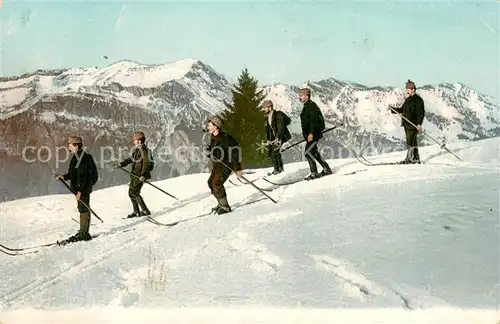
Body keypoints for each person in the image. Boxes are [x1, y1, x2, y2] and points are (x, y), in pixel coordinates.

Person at [55, 136, 97, 244]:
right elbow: (74, 174)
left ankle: (84, 233)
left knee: (83, 209)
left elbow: (82, 176)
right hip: (81, 189)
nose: (69, 147)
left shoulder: (81, 158)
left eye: (70, 145)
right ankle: (83, 231)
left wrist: (80, 191)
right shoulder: (77, 157)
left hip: (82, 189)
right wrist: (63, 177)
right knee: (82, 208)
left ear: (76, 146)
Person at [204, 115, 244, 214]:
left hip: (226, 165)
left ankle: (225, 207)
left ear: (216, 126)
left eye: (209, 125)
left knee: (216, 184)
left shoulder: (225, 137)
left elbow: (235, 151)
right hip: (218, 165)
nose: (207, 127)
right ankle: (221, 203)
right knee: (210, 183)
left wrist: (238, 168)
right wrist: (210, 151)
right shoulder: (214, 136)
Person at [115, 131, 152, 218]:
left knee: (134, 193)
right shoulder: (136, 150)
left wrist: (143, 175)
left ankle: (145, 211)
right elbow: (131, 159)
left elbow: (148, 165)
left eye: (135, 140)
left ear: (139, 141)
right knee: (131, 193)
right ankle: (137, 212)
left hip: (140, 177)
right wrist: (121, 164)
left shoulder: (147, 152)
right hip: (134, 175)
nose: (133, 142)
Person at [298, 87, 332, 180]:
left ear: (307, 96)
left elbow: (314, 121)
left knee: (308, 152)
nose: (299, 97)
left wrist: (311, 133)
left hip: (313, 134)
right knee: (312, 151)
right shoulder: (307, 106)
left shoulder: (311, 106)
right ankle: (326, 169)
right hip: (310, 135)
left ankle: (314, 173)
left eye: (301, 95)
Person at [389, 79, 425, 164]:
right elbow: (402, 110)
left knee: (410, 142)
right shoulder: (408, 100)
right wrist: (393, 109)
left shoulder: (418, 100)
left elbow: (421, 113)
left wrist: (419, 124)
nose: (407, 91)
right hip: (407, 124)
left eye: (408, 89)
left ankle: (409, 159)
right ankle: (415, 159)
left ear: (413, 89)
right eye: (406, 89)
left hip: (413, 125)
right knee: (413, 142)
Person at [261, 99, 292, 175]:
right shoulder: (268, 117)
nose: (263, 109)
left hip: (281, 136)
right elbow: (269, 130)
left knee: (275, 151)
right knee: (273, 152)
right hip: (274, 138)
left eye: (265, 107)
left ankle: (278, 169)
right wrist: (269, 139)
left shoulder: (278, 115)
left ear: (270, 107)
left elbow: (281, 128)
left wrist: (278, 137)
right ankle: (277, 169)